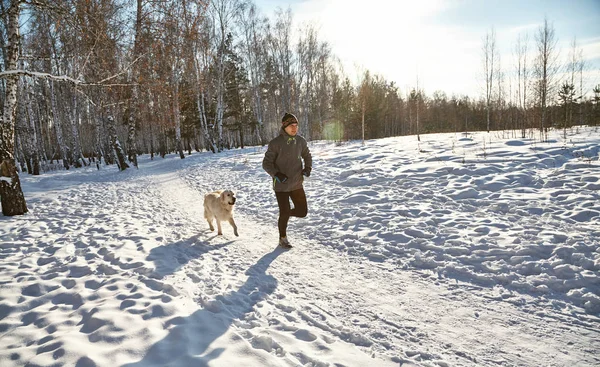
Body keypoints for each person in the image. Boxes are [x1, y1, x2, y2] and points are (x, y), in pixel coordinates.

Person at [262, 112, 312, 248]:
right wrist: (276, 174)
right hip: (281, 185)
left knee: (302, 212)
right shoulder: (275, 143)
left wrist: (308, 168)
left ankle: (284, 214)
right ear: (284, 126)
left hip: (296, 183)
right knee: (284, 212)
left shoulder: (300, 141)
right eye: (291, 125)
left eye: (296, 125)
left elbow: (307, 155)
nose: (294, 128)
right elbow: (266, 164)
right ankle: (282, 238)